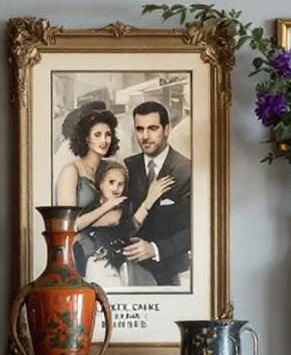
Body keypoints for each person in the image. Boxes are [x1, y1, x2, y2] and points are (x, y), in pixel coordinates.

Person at [120, 100, 192, 287]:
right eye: (140, 129)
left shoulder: (186, 170)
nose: (145, 136)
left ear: (167, 130)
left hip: (172, 272)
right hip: (130, 270)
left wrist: (155, 249)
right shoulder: (128, 166)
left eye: (152, 128)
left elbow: (194, 229)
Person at [78, 156, 176, 285]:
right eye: (111, 182)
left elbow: (128, 228)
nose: (116, 188)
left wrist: (150, 200)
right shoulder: (93, 209)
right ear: (101, 183)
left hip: (123, 263)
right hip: (100, 264)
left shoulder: (124, 207)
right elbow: (79, 225)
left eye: (121, 184)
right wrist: (109, 205)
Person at [54, 103, 119, 271]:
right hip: (78, 252)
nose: (104, 140)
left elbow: (117, 217)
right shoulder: (71, 171)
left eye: (108, 134)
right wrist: (107, 209)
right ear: (86, 138)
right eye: (97, 135)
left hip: (108, 248)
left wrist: (86, 221)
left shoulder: (110, 168)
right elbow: (68, 225)